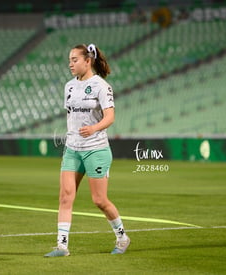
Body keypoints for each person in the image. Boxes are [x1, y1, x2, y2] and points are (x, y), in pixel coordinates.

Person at [44, 44, 130, 257]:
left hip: (96, 149)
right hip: (72, 149)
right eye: (69, 60)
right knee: (65, 197)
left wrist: (94, 128)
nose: (70, 64)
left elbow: (110, 117)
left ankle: (122, 237)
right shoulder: (69, 87)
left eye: (74, 60)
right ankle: (62, 246)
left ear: (87, 61)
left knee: (99, 200)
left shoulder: (101, 86)